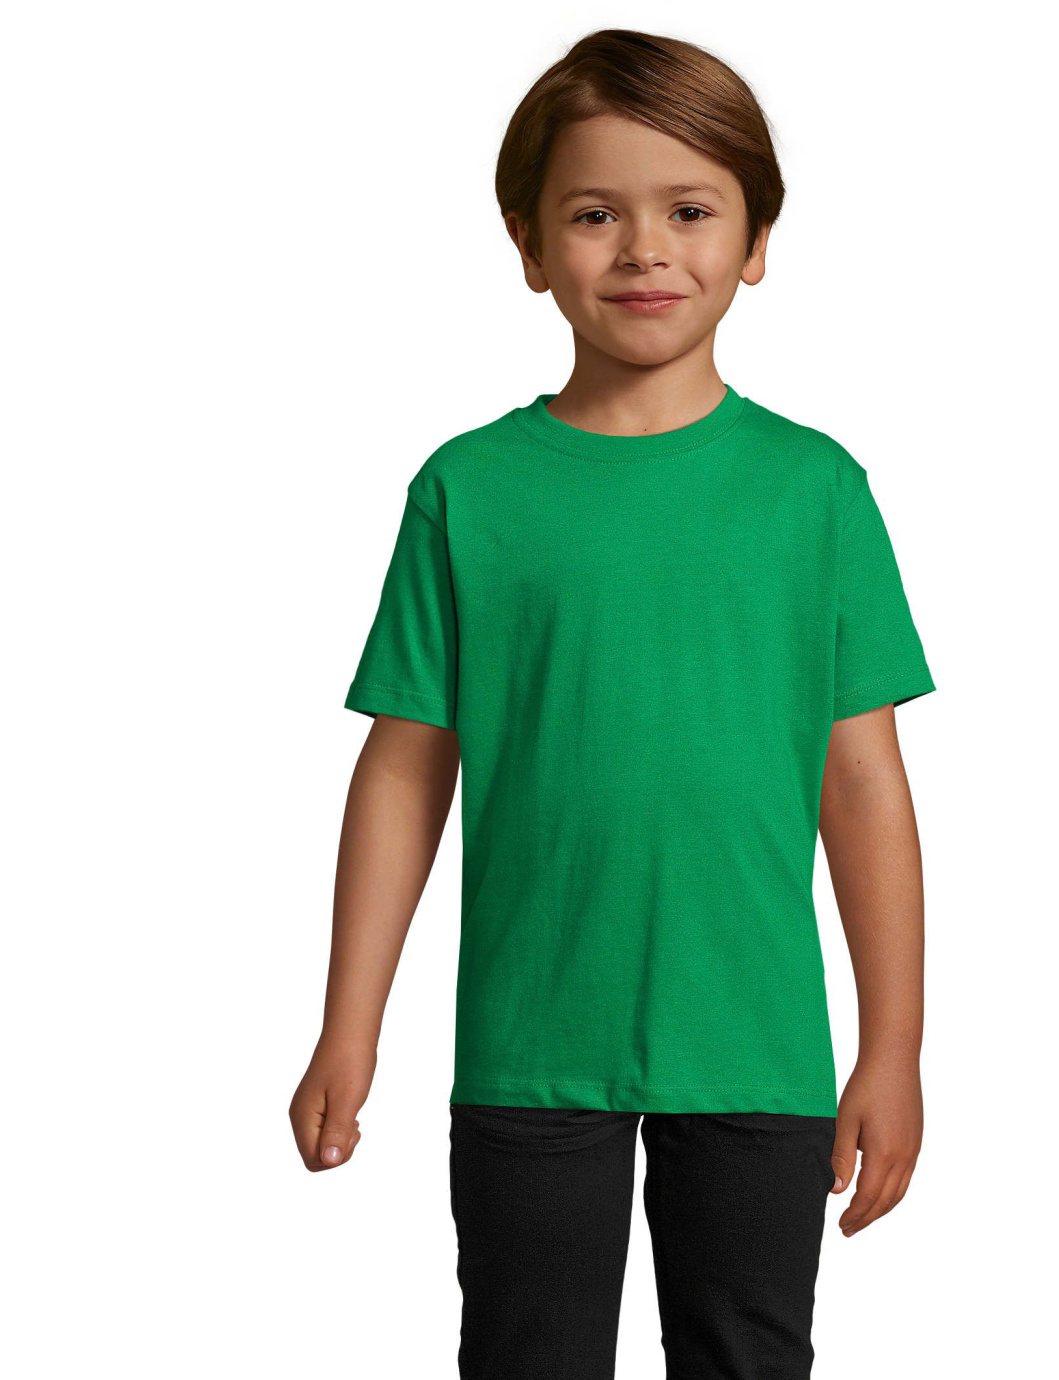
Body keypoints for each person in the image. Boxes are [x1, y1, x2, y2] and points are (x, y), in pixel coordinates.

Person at [289, 27, 935, 1380]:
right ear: (529, 244)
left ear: (757, 240)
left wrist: (894, 1046)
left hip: (756, 1047)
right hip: (529, 1045)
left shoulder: (815, 492)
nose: (645, 249)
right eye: (596, 215)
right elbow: (405, 767)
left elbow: (862, 779)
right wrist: (351, 1023)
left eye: (690, 211)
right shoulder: (468, 490)